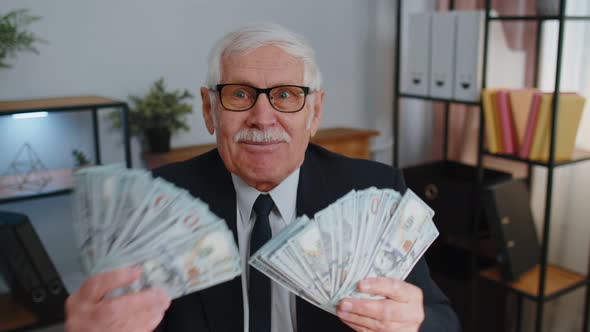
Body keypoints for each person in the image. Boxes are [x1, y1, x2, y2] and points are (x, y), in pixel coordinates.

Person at [65, 23, 460, 332]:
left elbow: (444, 320)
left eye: (286, 95)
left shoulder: (377, 190)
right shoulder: (157, 203)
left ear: (315, 113)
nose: (262, 117)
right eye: (240, 94)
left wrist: (417, 324)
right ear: (209, 109)